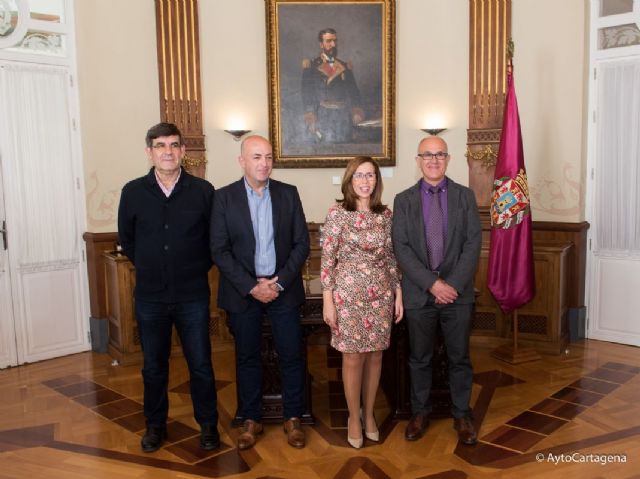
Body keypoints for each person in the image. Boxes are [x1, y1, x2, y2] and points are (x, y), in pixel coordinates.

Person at [117, 122, 219, 453]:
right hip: (150, 297)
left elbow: (212, 243)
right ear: (149, 151)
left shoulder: (203, 192)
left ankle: (208, 426)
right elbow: (128, 241)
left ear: (183, 152)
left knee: (201, 363)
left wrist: (190, 269)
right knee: (153, 366)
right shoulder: (132, 191)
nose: (168, 151)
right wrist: (151, 266)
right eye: (160, 145)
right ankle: (155, 425)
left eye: (174, 145)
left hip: (192, 295)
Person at [210, 135, 310, 450]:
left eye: (268, 156)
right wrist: (252, 286)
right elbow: (219, 249)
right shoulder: (224, 198)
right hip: (243, 292)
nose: (263, 163)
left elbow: (301, 245)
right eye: (256, 157)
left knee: (292, 356)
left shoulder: (288, 194)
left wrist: (277, 283)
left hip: (284, 289)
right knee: (247, 357)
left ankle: (293, 417)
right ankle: (251, 418)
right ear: (242, 161)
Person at [391, 136, 481, 445]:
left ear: (448, 159)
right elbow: (401, 248)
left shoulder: (465, 197)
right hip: (419, 294)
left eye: (439, 154)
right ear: (417, 160)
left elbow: (472, 245)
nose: (433, 160)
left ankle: (462, 414)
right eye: (427, 155)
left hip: (458, 295)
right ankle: (420, 413)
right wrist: (432, 284)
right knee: (419, 358)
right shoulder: (403, 200)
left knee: (459, 358)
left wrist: (451, 285)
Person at [320, 156, 403, 449]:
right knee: (353, 357)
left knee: (376, 356)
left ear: (377, 181)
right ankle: (353, 416)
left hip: (380, 295)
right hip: (348, 296)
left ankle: (369, 414)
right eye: (359, 175)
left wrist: (398, 294)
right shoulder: (337, 214)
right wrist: (328, 302)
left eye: (370, 175)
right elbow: (327, 263)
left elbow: (392, 259)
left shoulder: (386, 215)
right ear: (349, 180)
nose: (365, 181)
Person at [302, 28, 364, 143]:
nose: (333, 44)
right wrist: (310, 115)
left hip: (343, 118)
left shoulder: (344, 66)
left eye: (335, 41)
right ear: (321, 44)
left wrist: (356, 111)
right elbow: (307, 93)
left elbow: (354, 91)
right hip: (322, 117)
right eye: (329, 41)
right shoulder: (311, 67)